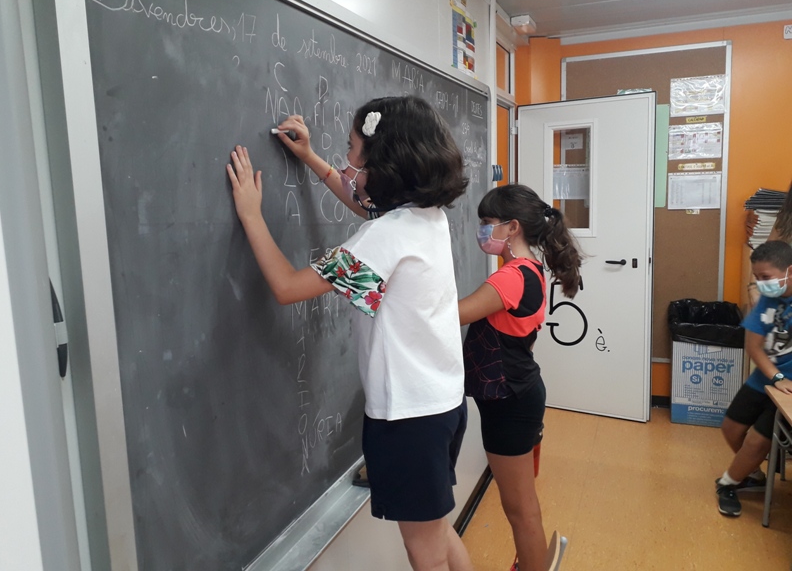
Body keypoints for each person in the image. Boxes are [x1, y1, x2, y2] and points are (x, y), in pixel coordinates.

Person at [226, 95, 473, 571]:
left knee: (425, 552)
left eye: (352, 149)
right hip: (441, 405)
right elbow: (365, 208)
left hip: (407, 421)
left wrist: (252, 215)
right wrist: (309, 157)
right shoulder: (424, 217)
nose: (347, 161)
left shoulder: (385, 239)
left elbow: (287, 287)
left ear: (385, 163)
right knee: (439, 532)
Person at [457, 184, 582, 571]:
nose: (482, 230)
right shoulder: (528, 270)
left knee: (520, 508)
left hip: (510, 401)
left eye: (487, 222)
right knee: (521, 504)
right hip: (515, 395)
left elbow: (450, 315)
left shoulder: (512, 276)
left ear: (512, 227)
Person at [716, 240, 792, 517]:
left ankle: (728, 484)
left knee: (757, 442)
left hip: (788, 393)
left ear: (790, 271)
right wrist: (777, 376)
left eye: (766, 277)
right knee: (731, 429)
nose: (761, 284)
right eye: (757, 277)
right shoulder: (768, 302)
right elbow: (754, 347)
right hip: (766, 378)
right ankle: (753, 474)